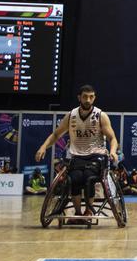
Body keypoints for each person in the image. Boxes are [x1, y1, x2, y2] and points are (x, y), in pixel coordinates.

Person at [35, 85, 120, 221]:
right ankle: (78, 213)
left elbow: (112, 138)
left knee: (88, 178)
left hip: (96, 156)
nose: (88, 100)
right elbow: (56, 135)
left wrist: (113, 151)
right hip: (77, 156)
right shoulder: (71, 116)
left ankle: (88, 212)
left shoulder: (100, 115)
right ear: (79, 97)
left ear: (94, 98)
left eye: (91, 97)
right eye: (85, 97)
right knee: (74, 179)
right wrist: (43, 147)